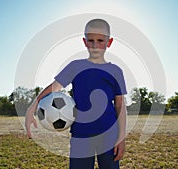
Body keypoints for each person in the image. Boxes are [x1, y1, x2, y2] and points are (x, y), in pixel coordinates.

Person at [25, 18, 127, 169]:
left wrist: (121, 137)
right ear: (84, 42)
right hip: (81, 135)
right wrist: (32, 107)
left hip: (109, 135)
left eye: (100, 40)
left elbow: (120, 105)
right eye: (90, 40)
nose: (95, 45)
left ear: (109, 42)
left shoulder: (115, 71)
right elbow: (54, 87)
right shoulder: (76, 67)